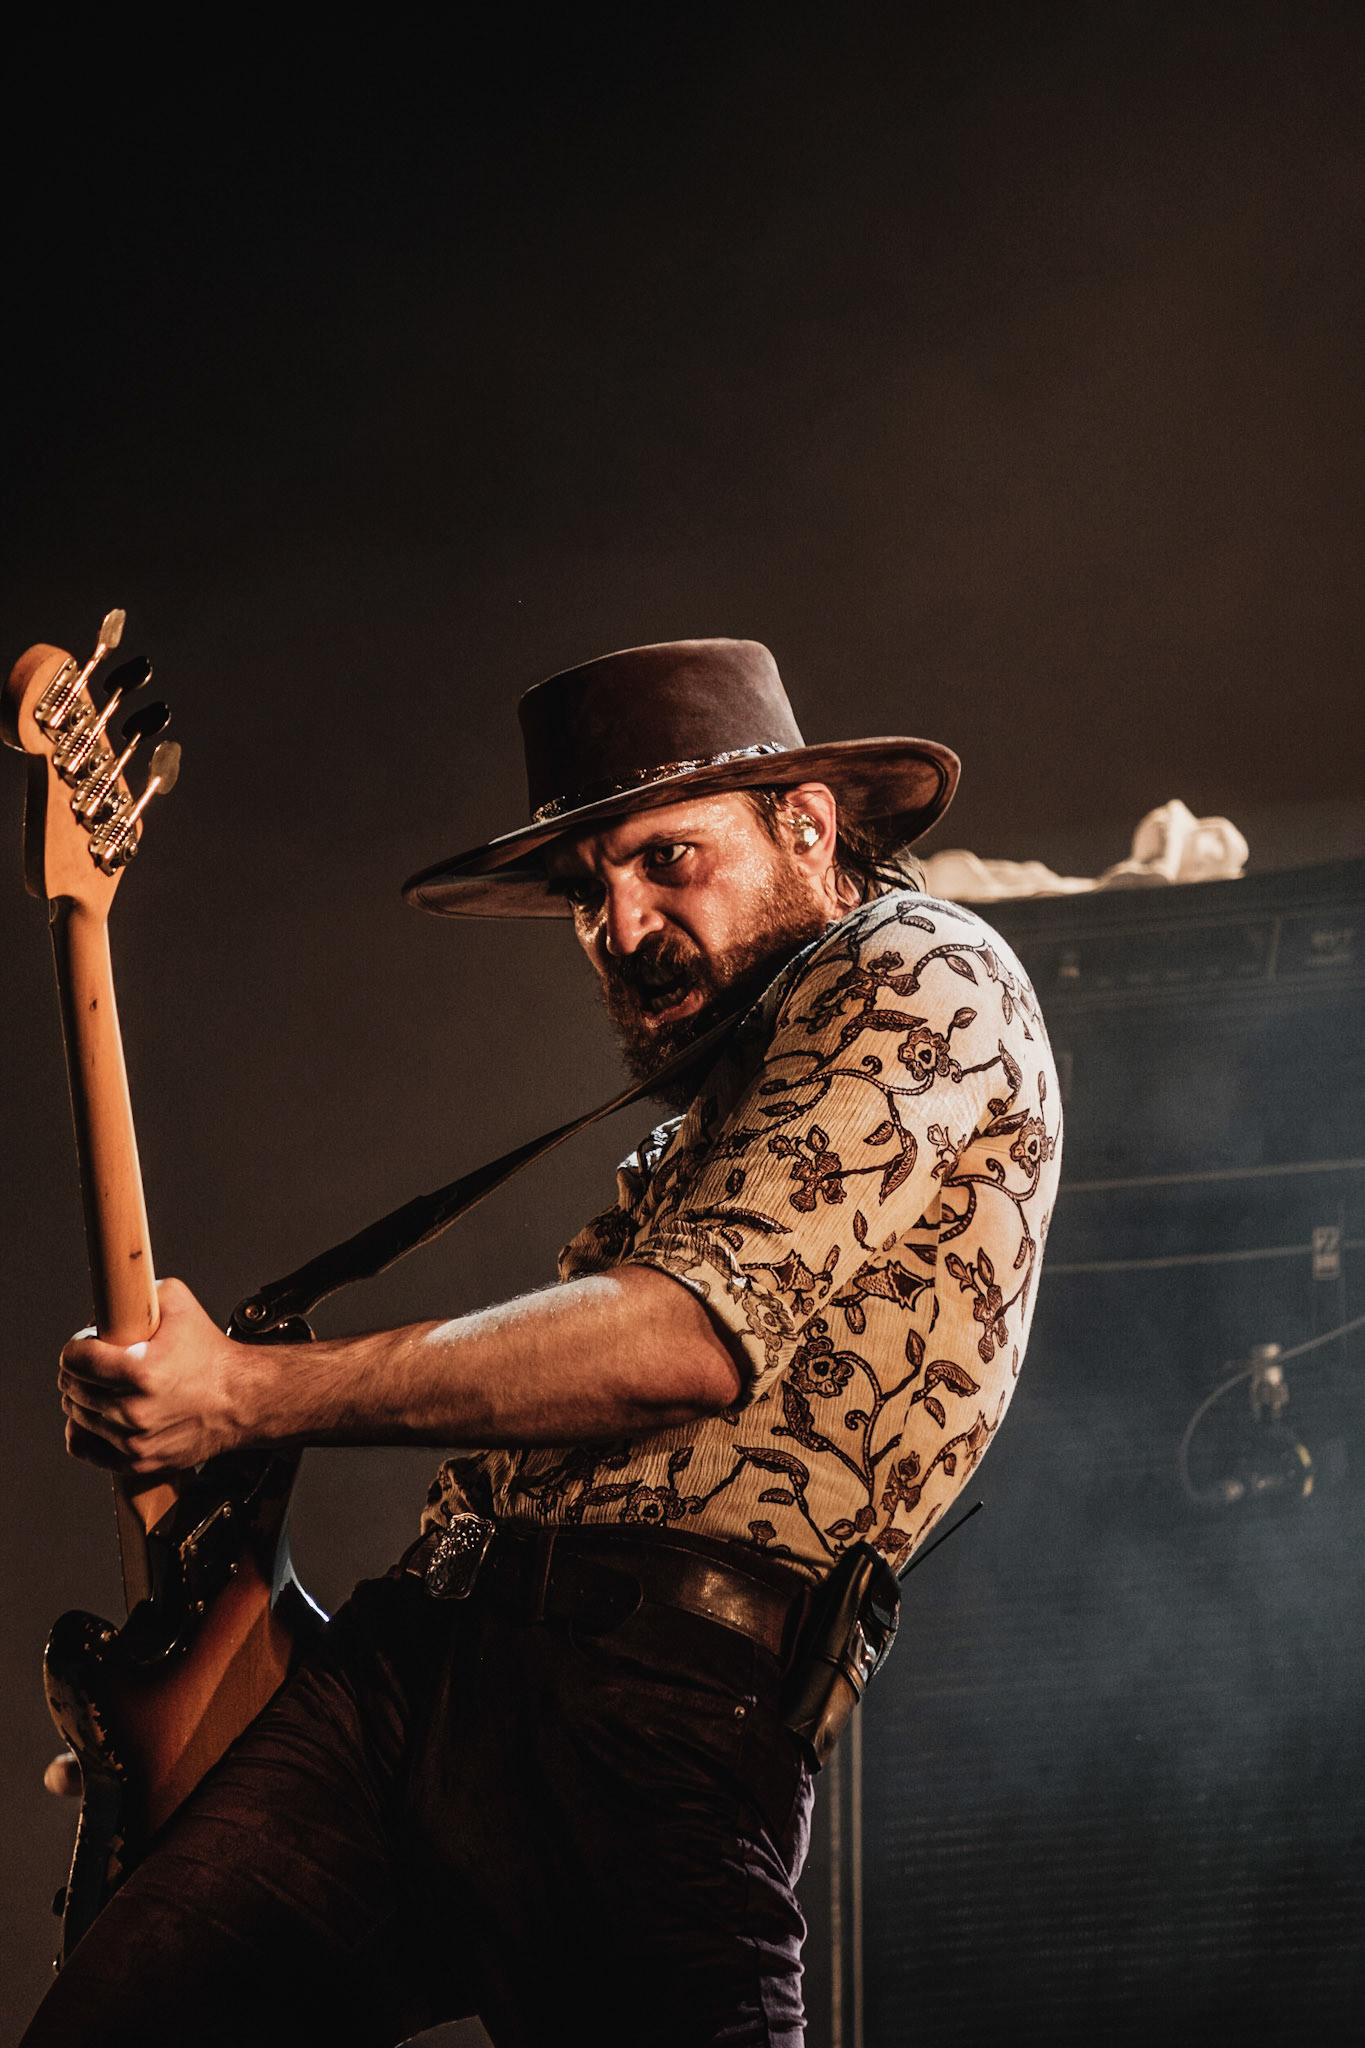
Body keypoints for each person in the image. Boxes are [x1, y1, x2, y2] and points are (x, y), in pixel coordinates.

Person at [26, 638, 1062, 2048]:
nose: (621, 925)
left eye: (668, 860)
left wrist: (247, 1397)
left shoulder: (918, 965)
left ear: (808, 827)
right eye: (589, 889)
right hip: (416, 1674)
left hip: (646, 1716)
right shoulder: (716, 1108)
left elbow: (686, 1336)